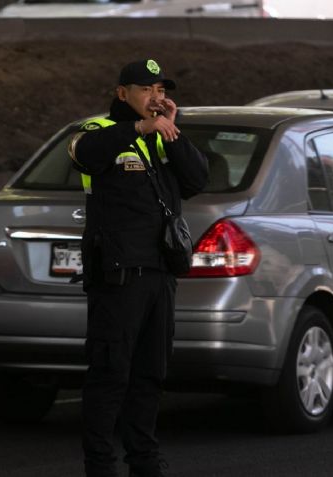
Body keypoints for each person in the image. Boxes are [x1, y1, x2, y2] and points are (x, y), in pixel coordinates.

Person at [69, 59, 208, 477]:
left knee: (150, 374)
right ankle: (100, 466)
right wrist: (139, 129)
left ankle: (144, 463)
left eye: (160, 89)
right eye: (146, 89)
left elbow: (197, 179)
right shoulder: (100, 131)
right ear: (122, 93)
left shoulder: (165, 135)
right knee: (110, 374)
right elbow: (84, 154)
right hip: (118, 274)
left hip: (159, 273)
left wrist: (172, 127)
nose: (156, 96)